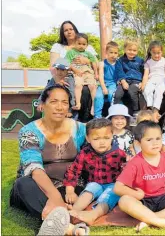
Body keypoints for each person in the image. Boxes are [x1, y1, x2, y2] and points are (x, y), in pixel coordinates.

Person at [10, 85, 89, 235]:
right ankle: (69, 226)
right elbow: (34, 169)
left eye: (64, 102)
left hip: (71, 185)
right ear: (42, 105)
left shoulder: (80, 129)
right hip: (39, 185)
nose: (60, 107)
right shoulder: (29, 131)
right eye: (54, 102)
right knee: (23, 184)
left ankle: (60, 221)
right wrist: (56, 198)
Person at [114, 121, 165, 231]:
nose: (155, 143)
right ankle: (161, 222)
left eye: (158, 138)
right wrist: (136, 194)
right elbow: (118, 188)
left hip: (161, 198)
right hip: (142, 201)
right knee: (124, 200)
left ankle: (152, 219)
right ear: (138, 143)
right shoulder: (135, 163)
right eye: (149, 140)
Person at [63, 118, 126, 225]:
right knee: (89, 191)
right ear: (88, 138)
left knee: (108, 196)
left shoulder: (119, 154)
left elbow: (127, 173)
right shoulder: (85, 152)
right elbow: (74, 170)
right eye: (96, 139)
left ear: (112, 135)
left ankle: (93, 215)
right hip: (95, 183)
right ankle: (73, 211)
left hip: (113, 184)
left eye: (106, 138)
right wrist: (70, 191)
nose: (102, 142)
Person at [65, 33, 99, 115]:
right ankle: (78, 103)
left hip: (88, 72)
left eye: (84, 44)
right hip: (77, 73)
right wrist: (75, 70)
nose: (81, 46)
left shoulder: (88, 54)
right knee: (78, 85)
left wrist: (96, 73)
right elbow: (66, 63)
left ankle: (93, 106)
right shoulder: (71, 52)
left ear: (87, 45)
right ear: (75, 43)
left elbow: (94, 62)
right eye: (79, 43)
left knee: (93, 86)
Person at [114, 39, 145, 116]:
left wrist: (142, 82)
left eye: (134, 50)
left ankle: (136, 111)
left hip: (136, 81)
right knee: (118, 94)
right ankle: (116, 111)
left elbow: (144, 72)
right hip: (125, 80)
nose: (132, 52)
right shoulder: (120, 60)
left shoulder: (140, 61)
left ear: (137, 51)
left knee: (132, 91)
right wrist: (123, 81)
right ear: (125, 49)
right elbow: (119, 71)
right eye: (129, 50)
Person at [140, 41, 165, 111]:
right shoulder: (148, 62)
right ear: (150, 52)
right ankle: (150, 106)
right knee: (146, 90)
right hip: (152, 79)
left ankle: (156, 108)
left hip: (162, 79)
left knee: (159, 91)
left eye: (158, 53)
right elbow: (146, 75)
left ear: (162, 52)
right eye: (154, 53)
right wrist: (143, 84)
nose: (156, 55)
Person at [94, 41, 119, 118]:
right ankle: (97, 116)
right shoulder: (102, 63)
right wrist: (104, 87)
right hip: (103, 83)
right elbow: (101, 76)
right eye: (111, 52)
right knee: (98, 96)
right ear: (106, 52)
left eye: (115, 53)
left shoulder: (118, 63)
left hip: (113, 84)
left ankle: (112, 114)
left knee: (111, 94)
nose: (113, 55)